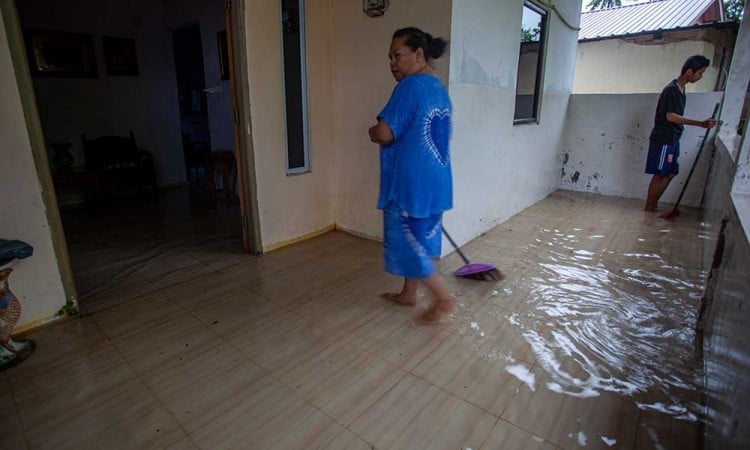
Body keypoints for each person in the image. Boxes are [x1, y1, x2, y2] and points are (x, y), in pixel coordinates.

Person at [368, 27, 454, 324]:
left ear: (418, 54)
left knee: (407, 245)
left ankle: (442, 297)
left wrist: (371, 131)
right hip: (436, 182)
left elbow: (384, 133)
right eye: (389, 57)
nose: (392, 62)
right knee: (420, 239)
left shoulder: (409, 87)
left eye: (397, 55)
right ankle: (408, 294)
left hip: (411, 183)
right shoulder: (438, 88)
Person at [644, 55, 717, 212]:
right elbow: (670, 116)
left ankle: (653, 206)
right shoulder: (671, 91)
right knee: (660, 174)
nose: (700, 77)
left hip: (673, 139)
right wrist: (700, 123)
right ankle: (649, 208)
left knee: (670, 173)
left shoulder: (681, 90)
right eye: (700, 73)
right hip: (664, 139)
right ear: (689, 72)